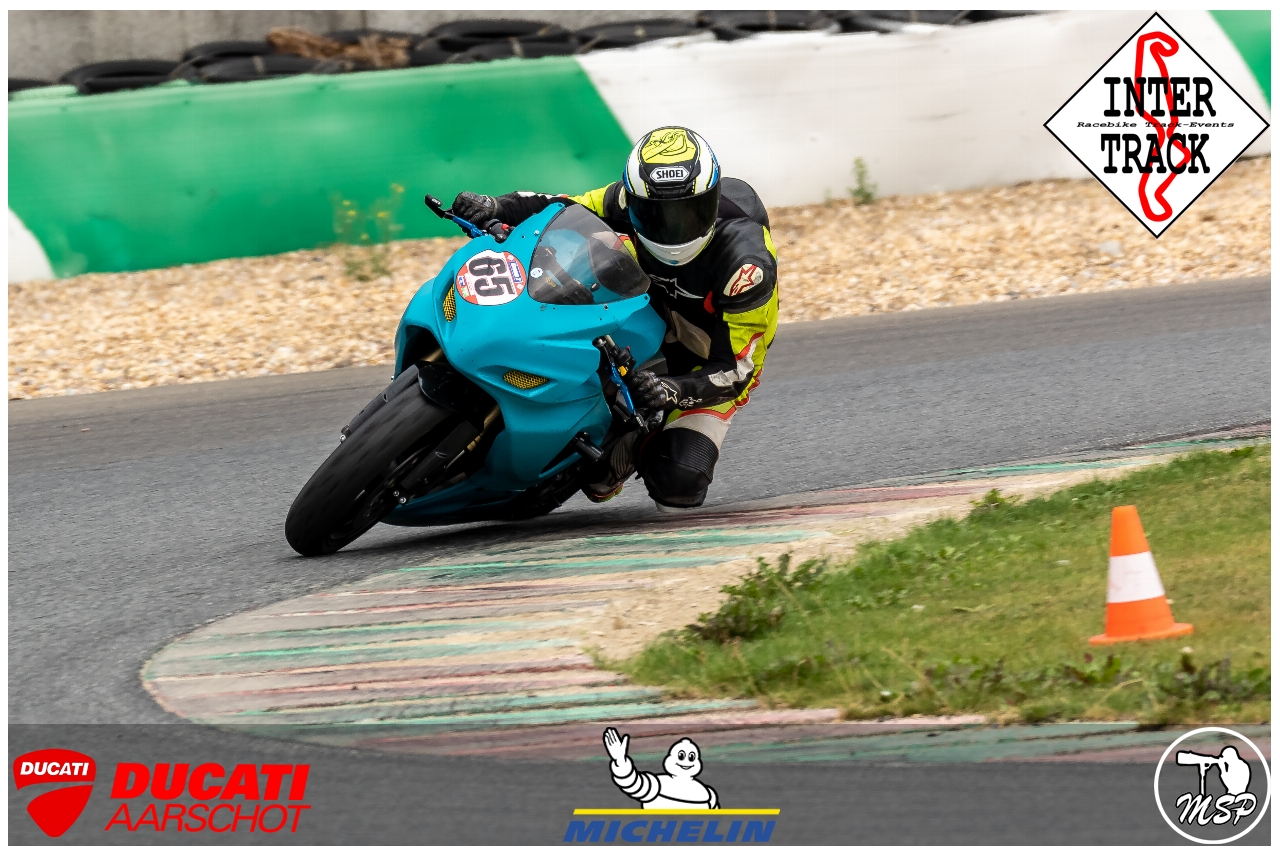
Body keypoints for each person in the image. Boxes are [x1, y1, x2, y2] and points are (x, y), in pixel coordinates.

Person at [451, 126, 778, 511]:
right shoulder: (624, 199)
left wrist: (672, 390)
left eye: (686, 213)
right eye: (656, 214)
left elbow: (737, 370)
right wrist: (496, 206)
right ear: (634, 199)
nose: (672, 229)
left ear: (713, 200)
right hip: (646, 305)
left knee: (678, 482)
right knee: (584, 256)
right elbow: (560, 207)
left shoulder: (747, 266)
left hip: (706, 357)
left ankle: (632, 445)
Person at [602, 727, 718, 809]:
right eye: (681, 756)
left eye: (691, 757)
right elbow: (632, 783)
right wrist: (620, 761)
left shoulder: (708, 794)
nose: (686, 762)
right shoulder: (657, 785)